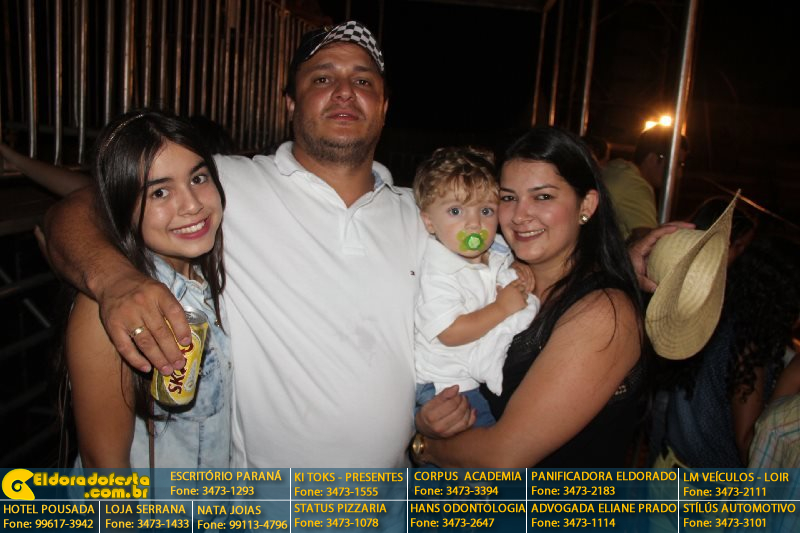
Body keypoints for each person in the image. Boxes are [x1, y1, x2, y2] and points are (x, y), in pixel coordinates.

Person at [43, 21, 687, 468]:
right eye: (322, 78)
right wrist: (114, 279)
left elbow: (522, 247)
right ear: (289, 100)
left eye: (364, 80)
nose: (345, 91)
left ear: (384, 106)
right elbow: (79, 209)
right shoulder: (224, 187)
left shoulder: (425, 214)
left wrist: (624, 249)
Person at [410, 126, 645, 468]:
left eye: (543, 197)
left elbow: (502, 457)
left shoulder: (604, 313)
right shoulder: (497, 270)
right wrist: (428, 419)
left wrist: (424, 445)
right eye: (508, 198)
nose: (520, 215)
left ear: (586, 205)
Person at [64, 109, 231, 467]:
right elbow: (106, 472)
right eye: (160, 192)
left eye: (198, 178)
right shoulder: (112, 310)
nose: (192, 205)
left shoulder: (212, 278)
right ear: (123, 207)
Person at [412, 146, 539, 428]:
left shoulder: (496, 250)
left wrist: (518, 266)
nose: (474, 223)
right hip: (446, 386)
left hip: (472, 375)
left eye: (486, 210)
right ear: (429, 222)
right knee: (484, 446)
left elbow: (503, 259)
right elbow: (450, 333)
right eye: (455, 211)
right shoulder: (437, 271)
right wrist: (502, 308)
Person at [652, 235, 800, 468]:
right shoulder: (746, 349)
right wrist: (792, 377)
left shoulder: (716, 318)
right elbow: (751, 449)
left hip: (673, 469)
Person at [602, 125, 688, 241]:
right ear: (652, 158)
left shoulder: (617, 167)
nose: (679, 174)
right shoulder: (635, 186)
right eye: (677, 164)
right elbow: (648, 240)